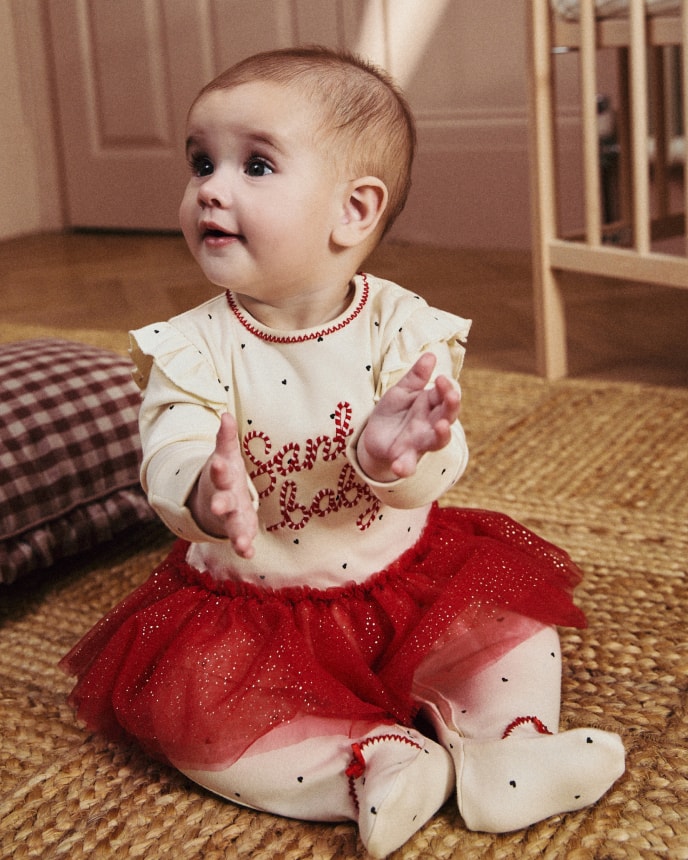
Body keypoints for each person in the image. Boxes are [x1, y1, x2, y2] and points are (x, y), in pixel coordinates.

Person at [61, 47, 624, 858]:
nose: (210, 188)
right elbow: (172, 446)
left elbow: (441, 458)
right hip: (253, 614)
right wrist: (200, 495)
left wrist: (399, 461)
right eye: (200, 163)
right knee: (199, 718)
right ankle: (372, 764)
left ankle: (512, 746)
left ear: (354, 211)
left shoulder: (403, 328)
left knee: (516, 629)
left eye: (254, 164)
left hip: (403, 585)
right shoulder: (191, 348)